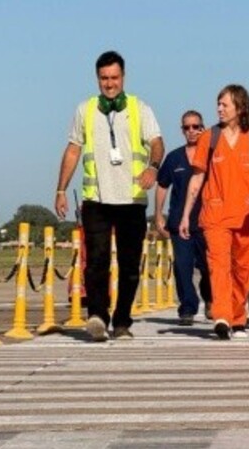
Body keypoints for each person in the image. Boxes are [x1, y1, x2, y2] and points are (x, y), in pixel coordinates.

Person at [55, 50, 164, 342]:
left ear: (123, 77)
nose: (109, 83)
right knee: (97, 262)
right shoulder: (85, 110)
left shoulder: (140, 108)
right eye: (104, 78)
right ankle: (98, 317)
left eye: (114, 77)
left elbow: (156, 142)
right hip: (97, 199)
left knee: (129, 266)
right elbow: (73, 150)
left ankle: (122, 321)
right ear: (97, 78)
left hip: (131, 200)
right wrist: (61, 189)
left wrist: (153, 168)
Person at [179, 84, 249, 340]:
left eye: (225, 105)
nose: (219, 109)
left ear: (239, 108)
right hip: (215, 215)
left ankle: (237, 316)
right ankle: (222, 316)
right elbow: (196, 179)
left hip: (247, 216)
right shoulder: (210, 138)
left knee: (244, 269)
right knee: (218, 266)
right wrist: (186, 215)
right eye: (218, 104)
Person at [155, 110, 212, 326]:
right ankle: (188, 307)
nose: (192, 131)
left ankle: (211, 299)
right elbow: (162, 186)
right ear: (182, 130)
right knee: (182, 266)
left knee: (209, 267)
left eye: (196, 126)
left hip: (207, 221)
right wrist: (159, 214)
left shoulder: (212, 155)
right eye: (187, 127)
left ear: (202, 128)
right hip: (180, 223)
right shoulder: (174, 158)